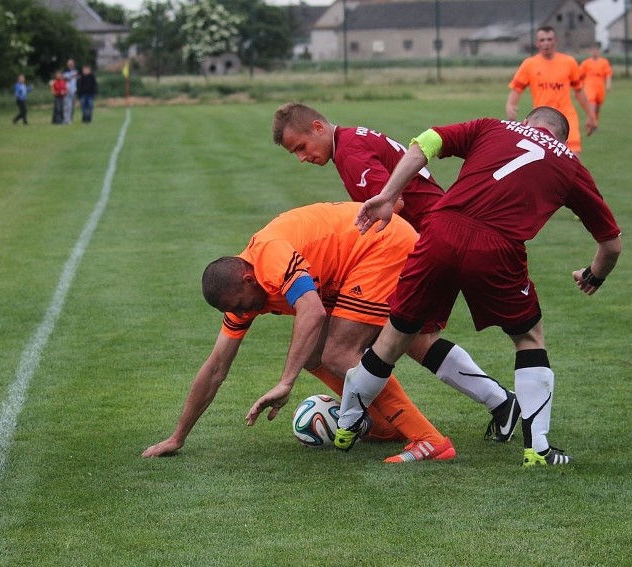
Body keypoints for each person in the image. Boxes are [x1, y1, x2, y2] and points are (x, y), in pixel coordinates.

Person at [340, 107, 622, 467]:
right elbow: (611, 244)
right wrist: (593, 275)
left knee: (395, 335)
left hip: (440, 230)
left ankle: (347, 426)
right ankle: (537, 449)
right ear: (561, 139)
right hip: (497, 248)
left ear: (526, 124)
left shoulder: (492, 126)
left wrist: (387, 195)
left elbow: (425, 142)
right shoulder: (569, 163)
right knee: (529, 338)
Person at [271, 102, 519, 442]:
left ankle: (373, 423)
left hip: (428, 243)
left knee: (347, 347)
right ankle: (500, 402)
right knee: (413, 339)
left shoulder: (351, 153)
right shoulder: (352, 140)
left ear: (317, 127)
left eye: (301, 147)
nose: (302, 157)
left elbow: (393, 207)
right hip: (434, 238)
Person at [143, 201, 461, 463]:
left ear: (247, 278)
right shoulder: (243, 295)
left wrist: (286, 382)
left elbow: (312, 309)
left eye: (240, 305)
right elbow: (215, 369)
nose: (242, 314)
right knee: (312, 354)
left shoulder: (270, 257)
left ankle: (429, 440)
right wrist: (178, 436)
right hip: (352, 264)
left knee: (338, 352)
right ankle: (385, 425)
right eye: (235, 310)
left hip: (382, 245)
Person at [506, 26, 596, 155]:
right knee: (544, 165)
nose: (546, 43)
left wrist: (591, 116)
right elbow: (516, 89)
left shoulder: (569, 62)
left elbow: (579, 91)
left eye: (549, 39)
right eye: (542, 40)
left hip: (567, 119)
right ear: (537, 43)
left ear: (555, 41)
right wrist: (510, 106)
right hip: (541, 121)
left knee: (573, 162)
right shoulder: (529, 64)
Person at [579, 42, 612, 121]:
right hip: (589, 85)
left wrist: (608, 84)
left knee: (597, 106)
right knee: (592, 103)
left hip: (600, 86)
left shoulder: (604, 62)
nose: (594, 51)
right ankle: (591, 121)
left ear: (599, 50)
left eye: (596, 49)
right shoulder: (585, 63)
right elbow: (579, 76)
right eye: (593, 50)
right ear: (590, 51)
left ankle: (594, 121)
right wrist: (580, 86)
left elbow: (608, 74)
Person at [63, 59, 78, 124]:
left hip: (74, 90)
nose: (70, 65)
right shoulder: (65, 72)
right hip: (66, 90)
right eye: (69, 64)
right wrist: (72, 76)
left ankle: (70, 119)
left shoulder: (76, 71)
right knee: (67, 106)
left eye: (71, 64)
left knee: (72, 106)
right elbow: (65, 79)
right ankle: (66, 119)